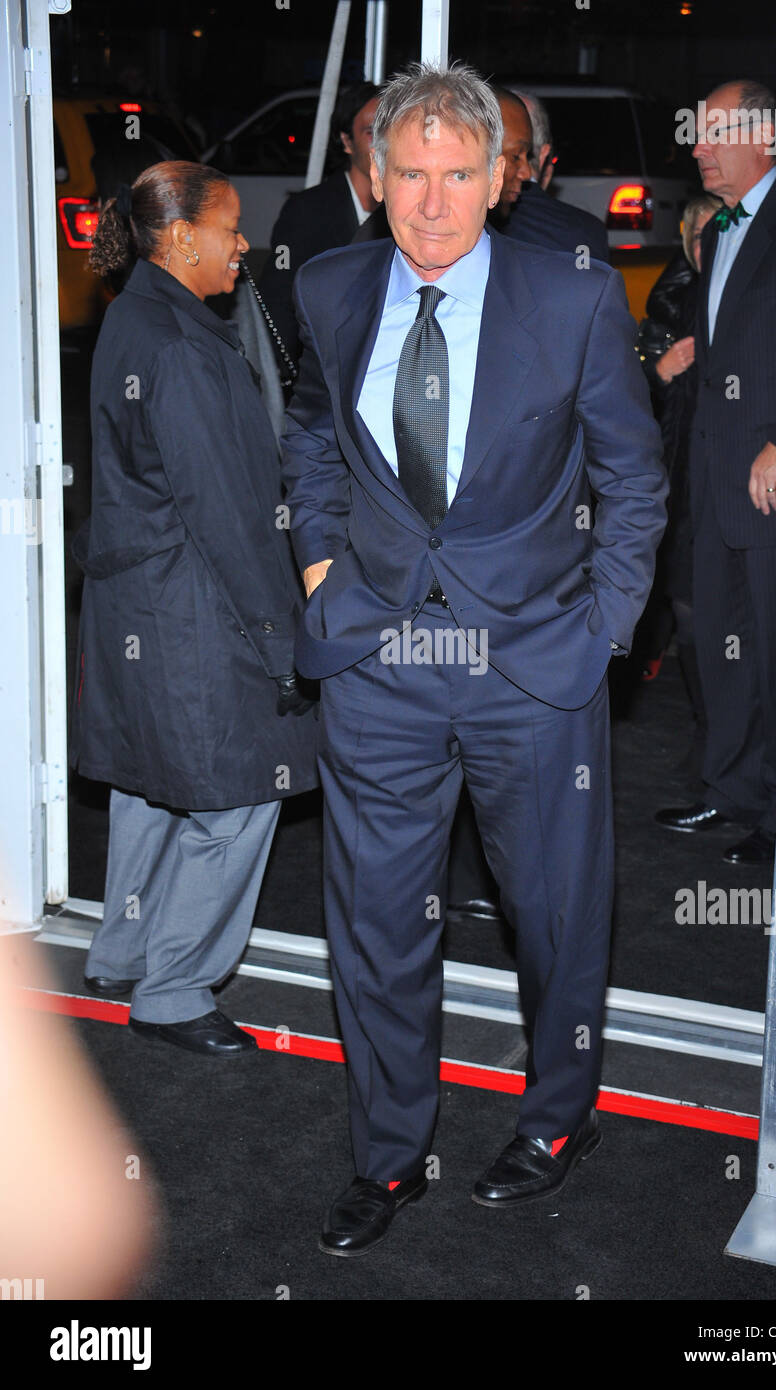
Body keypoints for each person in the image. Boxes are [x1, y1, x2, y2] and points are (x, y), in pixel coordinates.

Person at [281, 61, 667, 1256]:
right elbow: (309, 434)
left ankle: (558, 1118)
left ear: (501, 179)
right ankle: (389, 1155)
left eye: (460, 173)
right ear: (375, 174)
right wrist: (318, 571)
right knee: (378, 924)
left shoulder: (573, 298)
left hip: (531, 666)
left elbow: (634, 481)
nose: (434, 201)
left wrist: (600, 629)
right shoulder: (334, 286)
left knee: (552, 916)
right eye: (411, 173)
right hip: (379, 664)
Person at [72, 161, 318, 1056]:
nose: (242, 244)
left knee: (151, 783)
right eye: (229, 227)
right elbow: (232, 517)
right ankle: (173, 989)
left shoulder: (133, 315)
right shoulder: (179, 346)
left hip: (141, 601)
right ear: (178, 237)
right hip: (194, 610)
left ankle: (122, 949)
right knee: (238, 797)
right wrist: (284, 642)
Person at [655, 81, 776, 864]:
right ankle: (729, 792)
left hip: (774, 480)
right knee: (716, 644)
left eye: (711, 130)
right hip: (714, 471)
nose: (695, 145)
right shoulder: (719, 231)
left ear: (761, 135)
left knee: (775, 654)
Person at [634, 193, 722, 780]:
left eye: (713, 233)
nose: (703, 245)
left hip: (718, 485)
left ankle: (721, 739)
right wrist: (656, 373)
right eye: (694, 235)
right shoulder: (671, 301)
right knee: (682, 605)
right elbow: (621, 399)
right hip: (670, 478)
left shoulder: (736, 303)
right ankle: (712, 735)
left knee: (706, 614)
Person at [259, 82, 382, 360]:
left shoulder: (408, 209)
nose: (384, 143)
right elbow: (277, 302)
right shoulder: (307, 212)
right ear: (347, 141)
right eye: (372, 132)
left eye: (391, 130)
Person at [490, 86, 609, 263]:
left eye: (525, 154)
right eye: (516, 155)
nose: (524, 172)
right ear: (544, 155)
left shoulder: (465, 223)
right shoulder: (585, 232)